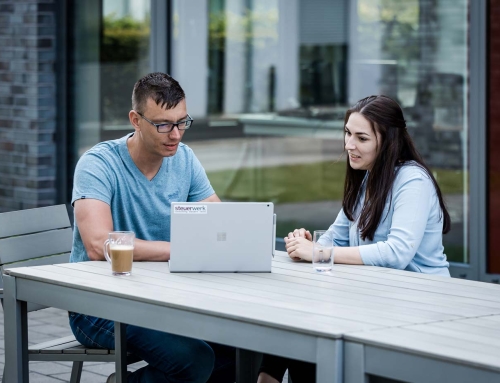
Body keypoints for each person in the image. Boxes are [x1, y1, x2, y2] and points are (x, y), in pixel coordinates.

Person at [257, 95, 451, 383]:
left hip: (422, 306)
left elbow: (397, 253)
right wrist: (306, 244)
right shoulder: (368, 182)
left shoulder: (413, 181)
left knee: (310, 328)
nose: (349, 145)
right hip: (377, 300)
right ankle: (266, 378)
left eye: (361, 138)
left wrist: (320, 254)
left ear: (388, 141)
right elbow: (333, 239)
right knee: (299, 320)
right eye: (348, 133)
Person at [68, 72, 235, 383]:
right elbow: (97, 245)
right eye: (163, 124)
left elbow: (217, 222)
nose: (175, 134)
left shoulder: (184, 159)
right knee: (194, 359)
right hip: (98, 306)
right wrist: (182, 251)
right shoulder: (98, 164)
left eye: (182, 122)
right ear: (135, 119)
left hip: (162, 298)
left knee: (240, 347)